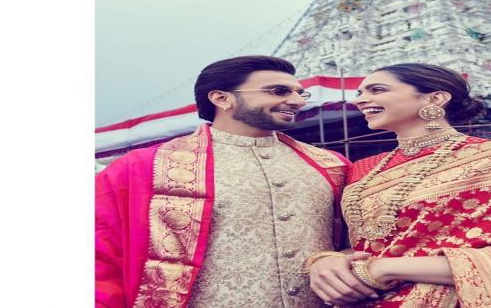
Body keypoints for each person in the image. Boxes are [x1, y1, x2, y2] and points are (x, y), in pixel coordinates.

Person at [95, 55, 375, 308]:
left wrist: (336, 258)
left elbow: (368, 240)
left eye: (300, 93)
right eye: (279, 91)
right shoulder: (144, 167)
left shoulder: (332, 166)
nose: (299, 101)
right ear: (221, 98)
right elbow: (100, 256)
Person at [307, 63, 491, 308]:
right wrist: (327, 261)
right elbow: (365, 244)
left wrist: (386, 268)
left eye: (377, 90)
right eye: (359, 93)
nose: (361, 101)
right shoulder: (363, 169)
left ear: (435, 98)